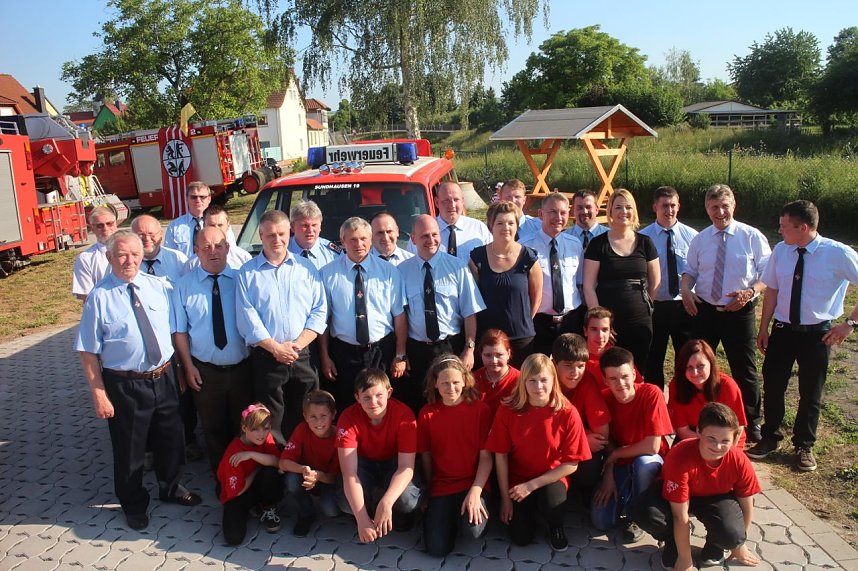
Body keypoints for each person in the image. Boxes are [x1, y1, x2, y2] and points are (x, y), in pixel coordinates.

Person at [76, 230, 201, 532]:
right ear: (109, 258)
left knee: (172, 438)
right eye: (121, 254)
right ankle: (133, 503)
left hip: (165, 376)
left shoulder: (159, 287)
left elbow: (174, 333)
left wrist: (183, 370)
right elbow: (88, 352)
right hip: (125, 385)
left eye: (134, 253)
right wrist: (98, 394)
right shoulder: (99, 297)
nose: (129, 260)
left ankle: (170, 487)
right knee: (129, 448)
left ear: (142, 255)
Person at [749, 200, 858, 471]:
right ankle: (770, 435)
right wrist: (764, 328)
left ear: (804, 227)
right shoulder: (781, 251)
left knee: (811, 392)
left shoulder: (837, 253)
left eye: (785, 226)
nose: (780, 229)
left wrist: (850, 324)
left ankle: (804, 446)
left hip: (818, 334)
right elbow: (772, 290)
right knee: (773, 384)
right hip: (783, 331)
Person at [681, 184, 770, 443]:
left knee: (745, 368)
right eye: (714, 207)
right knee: (699, 365)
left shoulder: (751, 236)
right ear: (707, 210)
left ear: (734, 205)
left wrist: (750, 292)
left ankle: (751, 421)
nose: (720, 212)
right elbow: (690, 271)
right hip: (706, 310)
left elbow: (768, 274)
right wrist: (686, 289)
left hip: (739, 311)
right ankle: (701, 413)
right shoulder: (701, 239)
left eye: (724, 206)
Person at [631, 403, 761, 571]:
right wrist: (685, 559)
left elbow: (747, 504)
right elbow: (680, 516)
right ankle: (672, 540)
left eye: (725, 441)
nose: (717, 447)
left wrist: (739, 544)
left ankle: (715, 544)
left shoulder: (739, 460)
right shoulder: (680, 456)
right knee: (645, 513)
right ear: (699, 431)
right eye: (711, 439)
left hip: (716, 497)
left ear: (735, 439)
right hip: (677, 498)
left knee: (732, 534)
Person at [236, 209, 328, 445]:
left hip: (303, 354)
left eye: (281, 234)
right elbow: (248, 318)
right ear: (261, 235)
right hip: (268, 357)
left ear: (289, 232)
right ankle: (277, 470)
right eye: (270, 235)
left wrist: (296, 345)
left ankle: (307, 463)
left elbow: (319, 311)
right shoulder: (248, 274)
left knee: (309, 412)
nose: (276, 240)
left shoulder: (307, 268)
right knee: (271, 418)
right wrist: (276, 349)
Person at [485, 353, 590, 551]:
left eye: (544, 380)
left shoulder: (567, 412)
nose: (538, 386)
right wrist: (506, 500)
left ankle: (555, 526)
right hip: (518, 480)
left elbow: (571, 464)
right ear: (523, 382)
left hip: (551, 477)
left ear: (553, 380)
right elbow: (500, 456)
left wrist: (532, 485)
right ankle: (528, 511)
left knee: (552, 504)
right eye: (531, 381)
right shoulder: (508, 411)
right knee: (520, 538)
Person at [173, 226, 254, 474]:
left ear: (228, 248)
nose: (213, 252)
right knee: (213, 428)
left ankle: (246, 475)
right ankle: (223, 477)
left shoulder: (244, 280)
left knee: (244, 426)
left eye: (218, 245)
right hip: (205, 371)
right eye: (205, 247)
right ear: (196, 251)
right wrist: (188, 367)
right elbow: (180, 332)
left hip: (243, 369)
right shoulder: (183, 286)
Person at [398, 215, 485, 413]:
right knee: (421, 403)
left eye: (435, 234)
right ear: (413, 239)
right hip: (418, 349)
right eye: (424, 236)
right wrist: (401, 352)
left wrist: (469, 348)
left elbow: (470, 312)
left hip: (450, 346)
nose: (431, 240)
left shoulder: (457, 267)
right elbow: (400, 315)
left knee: (453, 402)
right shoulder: (401, 271)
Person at [319, 217, 407, 410]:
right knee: (349, 405)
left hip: (381, 351)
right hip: (344, 353)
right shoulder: (327, 274)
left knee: (383, 406)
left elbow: (399, 316)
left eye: (363, 239)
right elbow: (324, 319)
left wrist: (400, 354)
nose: (359, 244)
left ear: (370, 239)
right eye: (352, 239)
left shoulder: (389, 272)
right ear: (342, 240)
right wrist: (325, 357)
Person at [592, 347, 672, 543]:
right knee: (601, 521)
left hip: (650, 461)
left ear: (634, 374)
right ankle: (625, 498)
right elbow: (607, 441)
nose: (621, 384)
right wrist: (608, 473)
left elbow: (652, 446)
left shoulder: (651, 393)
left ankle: (638, 514)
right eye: (613, 379)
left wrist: (616, 454)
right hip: (621, 462)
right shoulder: (604, 398)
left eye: (625, 376)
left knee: (644, 464)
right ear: (605, 380)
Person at [417, 355, 493, 557]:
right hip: (442, 485)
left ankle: (465, 514)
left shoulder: (480, 410)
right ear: (435, 384)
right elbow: (426, 456)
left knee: (473, 531)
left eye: (456, 382)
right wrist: (429, 490)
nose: (451, 388)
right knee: (436, 549)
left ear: (465, 381)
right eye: (444, 383)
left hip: (473, 483)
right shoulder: (427, 413)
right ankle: (445, 517)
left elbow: (487, 457)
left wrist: (476, 491)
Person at [336, 368, 424, 542]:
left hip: (394, 463)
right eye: (366, 397)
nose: (373, 402)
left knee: (407, 500)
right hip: (364, 463)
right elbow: (349, 472)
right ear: (357, 398)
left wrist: (387, 502)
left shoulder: (404, 415)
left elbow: (406, 467)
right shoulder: (348, 417)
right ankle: (366, 515)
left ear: (389, 392)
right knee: (344, 502)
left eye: (379, 395)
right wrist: (361, 519)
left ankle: (395, 513)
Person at [583, 189, 660, 371]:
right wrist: (601, 324)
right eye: (618, 207)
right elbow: (588, 285)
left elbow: (655, 281)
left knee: (638, 369)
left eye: (628, 207)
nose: (623, 212)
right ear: (610, 211)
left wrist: (644, 306)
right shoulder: (598, 244)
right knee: (610, 370)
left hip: (640, 321)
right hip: (610, 325)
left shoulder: (645, 243)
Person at [469, 200, 542, 366]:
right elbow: (472, 302)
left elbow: (536, 298)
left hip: (521, 338)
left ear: (517, 226)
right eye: (500, 223)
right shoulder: (477, 258)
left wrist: (522, 321)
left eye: (511, 223)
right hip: (488, 340)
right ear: (490, 226)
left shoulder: (529, 258)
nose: (506, 228)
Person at [639, 186, 698, 388]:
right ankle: (656, 402)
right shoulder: (643, 238)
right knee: (653, 359)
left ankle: (683, 401)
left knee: (686, 358)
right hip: (655, 305)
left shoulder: (692, 236)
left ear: (678, 206)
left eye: (673, 205)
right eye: (664, 205)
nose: (669, 210)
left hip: (684, 306)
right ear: (655, 206)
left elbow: (698, 269)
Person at [521, 192, 584, 355]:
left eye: (563, 213)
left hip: (570, 320)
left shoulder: (575, 245)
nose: (558, 217)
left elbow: (579, 282)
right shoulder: (525, 247)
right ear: (541, 214)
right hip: (539, 321)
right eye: (552, 212)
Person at [551, 333, 611, 502]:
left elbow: (602, 437)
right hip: (549, 450)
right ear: (554, 364)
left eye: (580, 366)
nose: (575, 372)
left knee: (591, 462)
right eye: (568, 365)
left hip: (572, 453)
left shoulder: (587, 382)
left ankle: (580, 490)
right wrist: (582, 438)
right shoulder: (543, 382)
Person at [217, 404, 284, 545]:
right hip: (238, 492)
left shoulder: (266, 438)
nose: (261, 434)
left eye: (266, 428)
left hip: (256, 484)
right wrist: (256, 469)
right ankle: (249, 509)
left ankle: (268, 506)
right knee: (233, 538)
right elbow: (238, 490)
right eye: (255, 429)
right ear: (244, 428)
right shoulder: (233, 453)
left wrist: (251, 455)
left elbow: (278, 462)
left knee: (271, 472)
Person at [279, 390, 341, 537]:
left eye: (323, 416)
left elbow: (334, 477)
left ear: (333, 415)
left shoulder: (339, 436)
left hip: (327, 480)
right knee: (292, 480)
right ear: (305, 417)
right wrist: (303, 470)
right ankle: (306, 512)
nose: (318, 422)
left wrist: (318, 476)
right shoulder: (301, 430)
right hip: (306, 476)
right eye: (313, 416)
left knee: (331, 510)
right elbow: (283, 463)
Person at [669, 339, 748, 448]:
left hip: (726, 440)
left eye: (700, 366)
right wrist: (706, 447)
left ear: (711, 363)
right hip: (693, 436)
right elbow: (682, 431)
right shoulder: (676, 385)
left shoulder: (727, 386)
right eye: (689, 367)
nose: (695, 373)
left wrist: (718, 448)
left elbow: (738, 427)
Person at [410, 181, 491, 262]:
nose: (452, 205)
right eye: (446, 201)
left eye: (456, 200)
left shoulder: (478, 228)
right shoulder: (421, 232)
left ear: (462, 201)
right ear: (437, 202)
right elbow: (410, 263)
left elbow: (493, 258)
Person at [164, 182, 234, 257]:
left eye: (202, 197)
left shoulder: (221, 224)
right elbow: (169, 256)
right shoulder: (174, 227)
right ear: (187, 198)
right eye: (194, 197)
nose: (198, 200)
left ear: (209, 198)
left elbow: (231, 252)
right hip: (185, 268)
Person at [184, 204, 252, 271]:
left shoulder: (243, 258)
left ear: (228, 226)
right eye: (212, 225)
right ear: (204, 225)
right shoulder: (192, 264)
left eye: (220, 225)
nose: (217, 229)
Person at [565, 189, 608, 290]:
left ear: (597, 209)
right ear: (573, 210)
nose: (584, 211)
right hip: (573, 292)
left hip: (602, 290)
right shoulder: (564, 238)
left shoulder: (609, 236)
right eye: (579, 208)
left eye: (588, 207)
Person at [472, 329, 520, 420]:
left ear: (508, 353)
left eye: (499, 355)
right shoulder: (473, 380)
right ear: (481, 354)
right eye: (488, 355)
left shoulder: (520, 379)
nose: (494, 360)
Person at [72, 206, 118, 301]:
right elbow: (87, 297)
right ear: (92, 228)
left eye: (109, 223)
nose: (105, 228)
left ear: (116, 224)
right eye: (99, 226)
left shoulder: (134, 250)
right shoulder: (85, 259)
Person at [288, 200, 343, 270]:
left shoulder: (333, 254)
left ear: (320, 227)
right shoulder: (282, 251)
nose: (310, 230)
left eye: (314, 225)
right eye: (305, 225)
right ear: (292, 227)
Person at [498, 178, 541, 243]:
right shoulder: (491, 229)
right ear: (500, 198)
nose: (512, 201)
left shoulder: (538, 227)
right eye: (508, 197)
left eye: (517, 197)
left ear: (524, 200)